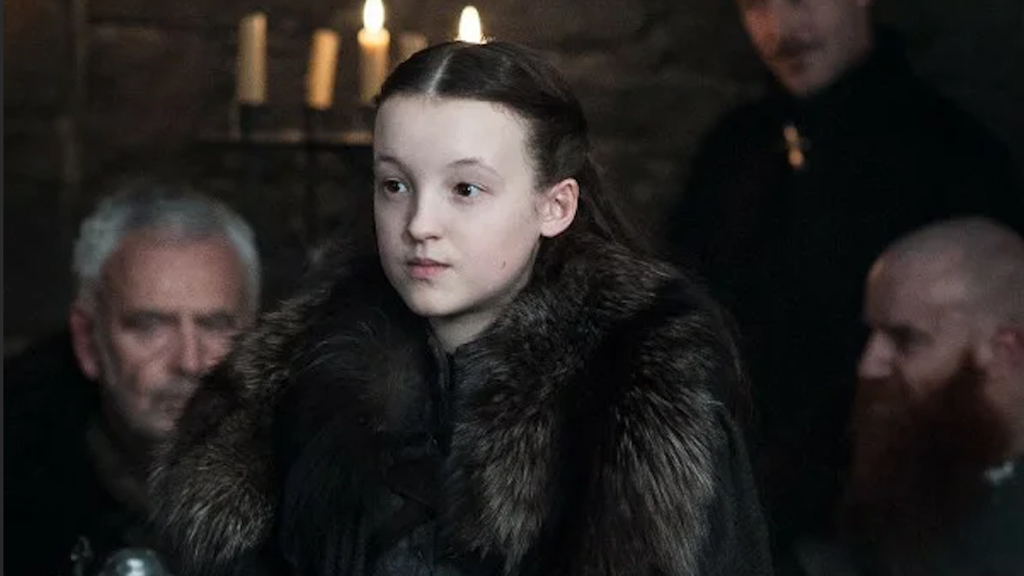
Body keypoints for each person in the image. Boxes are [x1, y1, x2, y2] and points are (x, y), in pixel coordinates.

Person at [151, 41, 773, 576]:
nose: (420, 223)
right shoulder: (293, 391)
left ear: (555, 206)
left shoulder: (643, 400)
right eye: (395, 185)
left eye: (466, 189)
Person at [663, 0, 1024, 569]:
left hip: (896, 523)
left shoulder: (953, 159)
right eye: (756, 4)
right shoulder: (732, 152)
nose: (781, 30)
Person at [4, 182, 261, 576]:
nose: (190, 361)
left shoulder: (316, 495)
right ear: (88, 341)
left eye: (215, 325)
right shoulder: (16, 492)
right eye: (150, 326)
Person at [828, 217, 1024, 576]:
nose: (868, 366)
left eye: (906, 339)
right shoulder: (912, 482)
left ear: (1004, 351)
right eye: (872, 335)